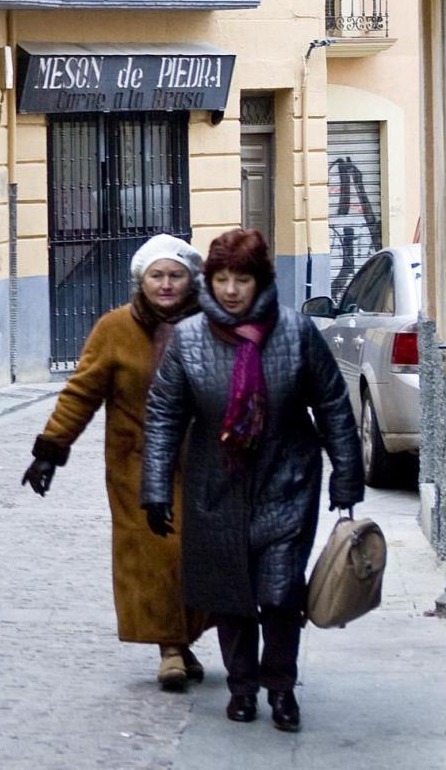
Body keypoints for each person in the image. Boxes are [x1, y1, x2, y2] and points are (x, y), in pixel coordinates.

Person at [141, 228, 363, 733]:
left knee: (280, 593)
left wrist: (347, 475)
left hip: (287, 480)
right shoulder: (188, 338)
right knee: (231, 594)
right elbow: (164, 416)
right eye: (221, 279)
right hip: (215, 487)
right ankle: (242, 687)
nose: (231, 290)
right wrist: (155, 487)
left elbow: (332, 404)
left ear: (260, 280)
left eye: (241, 279)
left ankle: (281, 686)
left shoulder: (296, 332)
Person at [23, 233, 210, 692]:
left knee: (197, 554)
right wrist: (50, 451)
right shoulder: (115, 328)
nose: (165, 284)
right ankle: (169, 648)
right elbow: (81, 392)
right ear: (140, 281)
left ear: (191, 280)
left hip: (202, 461)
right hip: (136, 465)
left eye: (176, 275)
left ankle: (184, 638)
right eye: (156, 276)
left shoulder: (209, 326)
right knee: (155, 555)